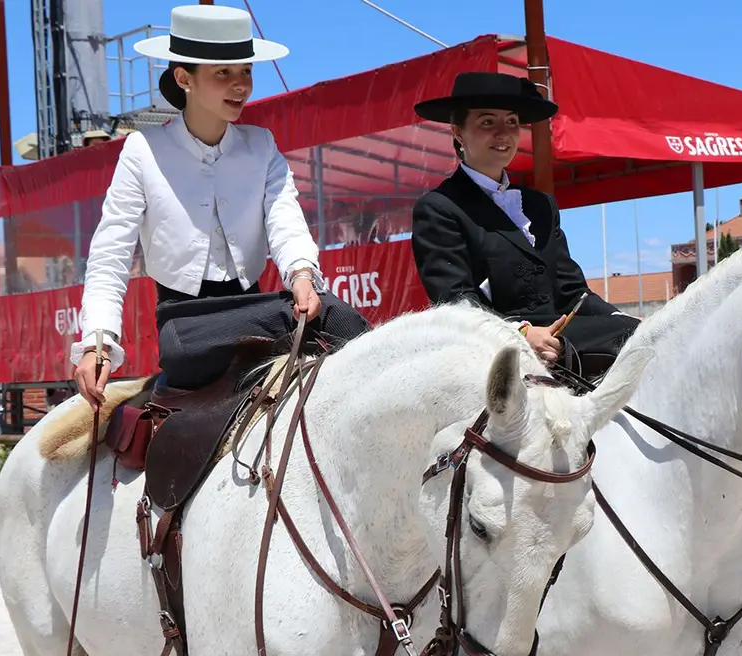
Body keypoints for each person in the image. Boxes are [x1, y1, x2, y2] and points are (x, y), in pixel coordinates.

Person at [72, 5, 370, 407]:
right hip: (186, 326)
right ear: (184, 78)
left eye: (245, 71)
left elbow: (285, 219)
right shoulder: (143, 150)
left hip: (260, 306)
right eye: (223, 73)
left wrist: (301, 274)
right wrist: (97, 342)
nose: (240, 85)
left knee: (344, 320)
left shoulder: (261, 145)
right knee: (230, 339)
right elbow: (110, 255)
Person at [409, 72, 639, 378]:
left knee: (643, 334)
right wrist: (522, 333)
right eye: (488, 122)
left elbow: (573, 292)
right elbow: (456, 302)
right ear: (458, 133)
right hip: (495, 353)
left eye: (512, 122)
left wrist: (623, 321)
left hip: (564, 341)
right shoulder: (439, 208)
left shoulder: (540, 205)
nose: (503, 133)